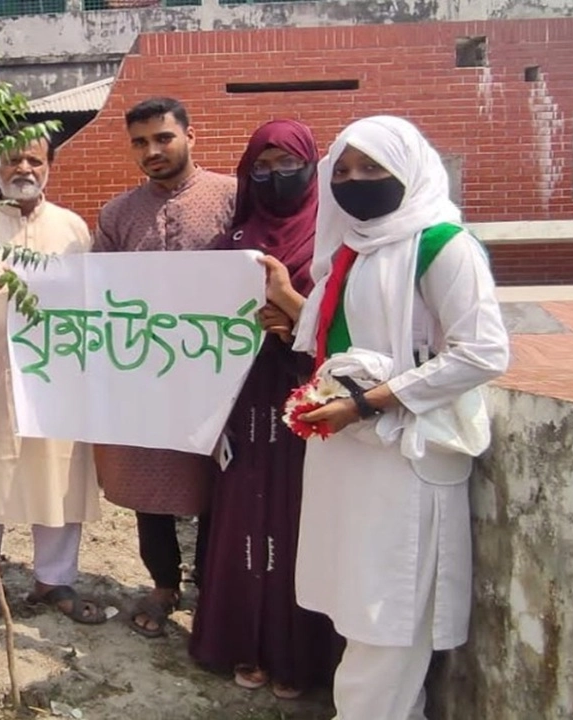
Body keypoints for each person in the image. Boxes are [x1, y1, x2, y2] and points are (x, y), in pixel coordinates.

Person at [260, 116, 509, 719]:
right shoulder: (351, 250)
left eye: (373, 169)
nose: (355, 182)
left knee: (388, 612)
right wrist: (294, 320)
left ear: (410, 171)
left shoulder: (442, 245)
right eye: (342, 171)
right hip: (350, 453)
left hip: (404, 456)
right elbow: (348, 332)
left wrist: (367, 402)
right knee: (358, 601)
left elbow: (483, 352)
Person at [188, 119, 339, 698]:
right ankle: (241, 644)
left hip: (306, 405)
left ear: (312, 165)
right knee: (241, 523)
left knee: (298, 525)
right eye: (262, 165)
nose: (275, 175)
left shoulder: (332, 242)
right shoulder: (234, 240)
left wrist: (293, 313)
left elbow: (348, 329)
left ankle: (295, 654)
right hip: (242, 403)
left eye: (287, 162)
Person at [0, 134, 105, 629]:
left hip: (59, 375)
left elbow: (92, 296)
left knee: (58, 474)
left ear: (49, 165)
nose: (24, 168)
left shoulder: (72, 228)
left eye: (35, 159)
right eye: (14, 159)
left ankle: (54, 580)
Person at [91, 96, 236, 638]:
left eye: (163, 138)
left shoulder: (231, 198)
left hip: (219, 373)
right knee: (150, 483)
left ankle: (215, 587)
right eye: (140, 142)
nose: (152, 150)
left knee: (222, 481)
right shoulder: (117, 214)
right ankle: (162, 583)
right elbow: (97, 292)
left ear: (189, 136)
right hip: (144, 374)